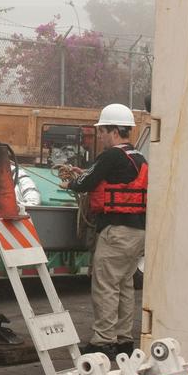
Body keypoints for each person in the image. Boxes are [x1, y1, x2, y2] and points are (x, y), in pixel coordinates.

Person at [58, 102, 147, 359]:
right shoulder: (137, 157)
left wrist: (71, 182)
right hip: (137, 232)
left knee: (106, 285)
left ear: (114, 131)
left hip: (115, 231)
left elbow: (86, 183)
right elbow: (108, 179)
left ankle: (102, 341)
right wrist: (86, 174)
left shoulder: (111, 156)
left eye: (101, 131)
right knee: (124, 285)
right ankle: (123, 340)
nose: (99, 136)